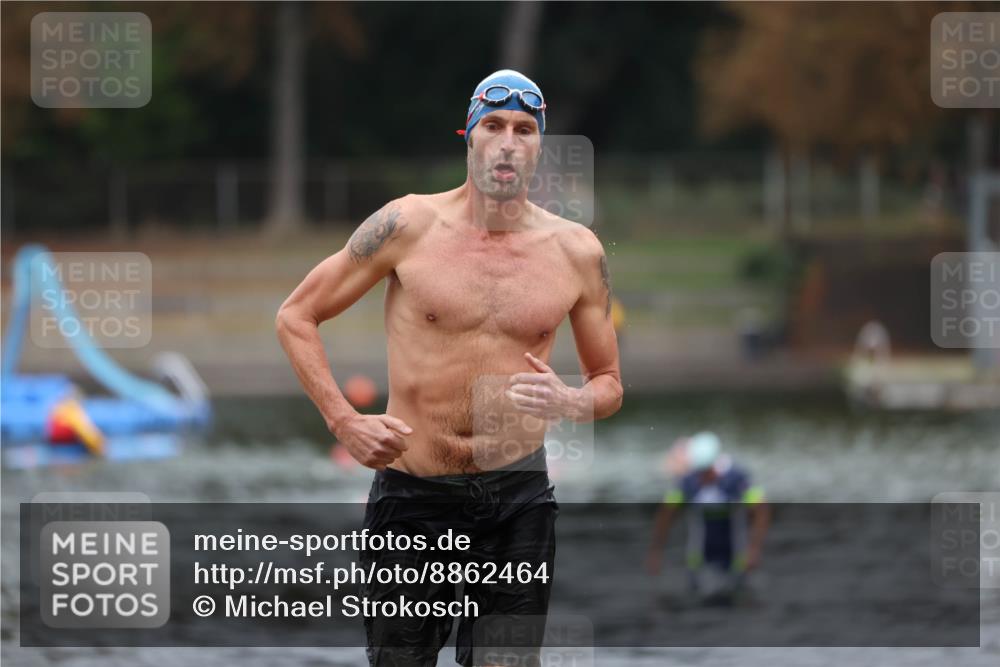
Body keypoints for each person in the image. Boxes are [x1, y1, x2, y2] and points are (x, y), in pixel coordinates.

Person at [276, 69, 623, 666]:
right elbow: (296, 315)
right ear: (469, 134)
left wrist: (573, 402)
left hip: (518, 500)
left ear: (539, 144)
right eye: (493, 125)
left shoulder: (576, 252)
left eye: (523, 128)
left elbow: (608, 384)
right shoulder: (407, 226)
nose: (508, 140)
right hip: (414, 497)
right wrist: (344, 421)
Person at [645, 432, 770, 603]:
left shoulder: (736, 479)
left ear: (715, 464)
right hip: (699, 556)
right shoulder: (688, 483)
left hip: (735, 555)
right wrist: (656, 551)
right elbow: (666, 514)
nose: (702, 478)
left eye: (706, 472)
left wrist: (754, 549)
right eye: (699, 473)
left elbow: (761, 509)